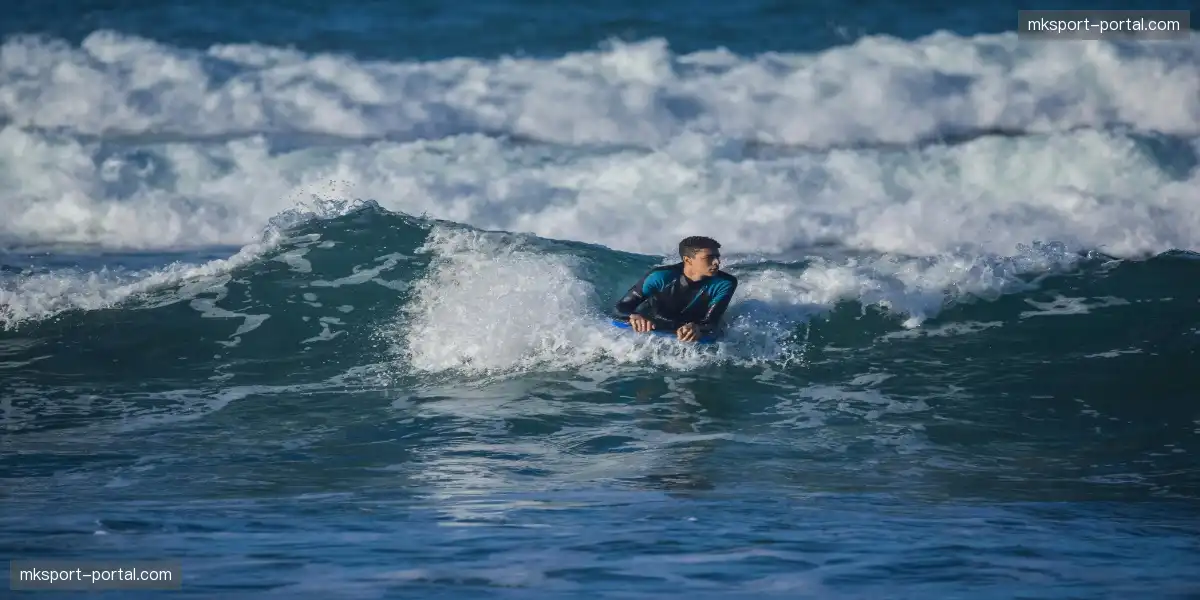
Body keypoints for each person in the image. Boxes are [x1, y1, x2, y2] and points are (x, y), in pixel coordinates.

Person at [614, 236, 738, 343]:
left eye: (717, 256)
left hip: (690, 327)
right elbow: (621, 307)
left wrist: (699, 328)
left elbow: (711, 321)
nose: (717, 262)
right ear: (688, 260)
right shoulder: (660, 276)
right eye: (709, 257)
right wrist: (633, 315)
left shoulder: (725, 283)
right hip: (653, 323)